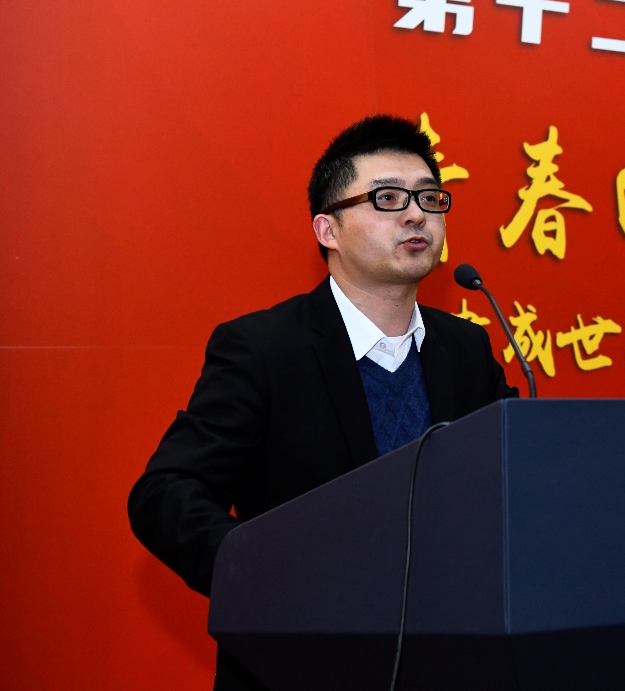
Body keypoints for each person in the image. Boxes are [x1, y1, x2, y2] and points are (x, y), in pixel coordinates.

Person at [128, 114, 517, 690]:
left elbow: (512, 482)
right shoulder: (264, 348)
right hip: (304, 666)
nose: (416, 214)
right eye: (387, 198)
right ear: (327, 230)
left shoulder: (466, 348)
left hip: (449, 659)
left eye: (429, 198)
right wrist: (269, 576)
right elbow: (164, 492)